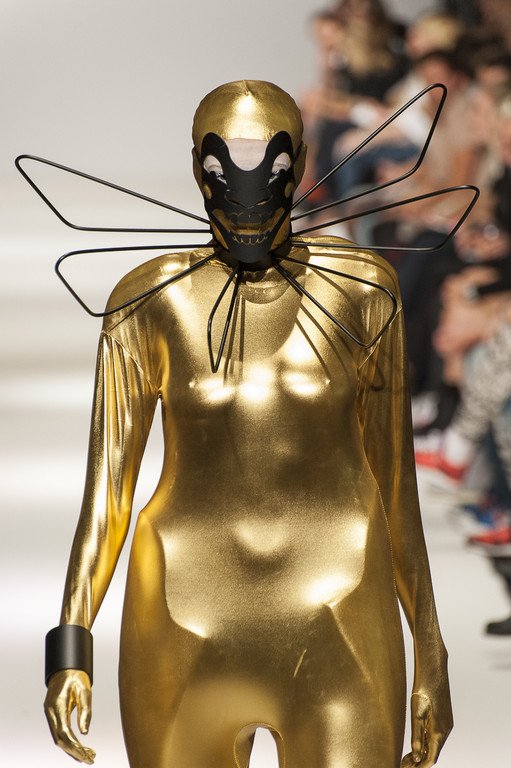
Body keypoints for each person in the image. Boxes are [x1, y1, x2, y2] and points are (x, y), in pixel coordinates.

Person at [42, 81, 451, 768]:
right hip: (179, 616)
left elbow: (396, 485)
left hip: (343, 612)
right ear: (197, 169)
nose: (248, 196)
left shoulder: (362, 289)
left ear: (301, 163)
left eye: (272, 166)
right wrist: (69, 649)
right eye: (222, 168)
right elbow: (106, 495)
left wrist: (430, 653)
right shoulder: (149, 298)